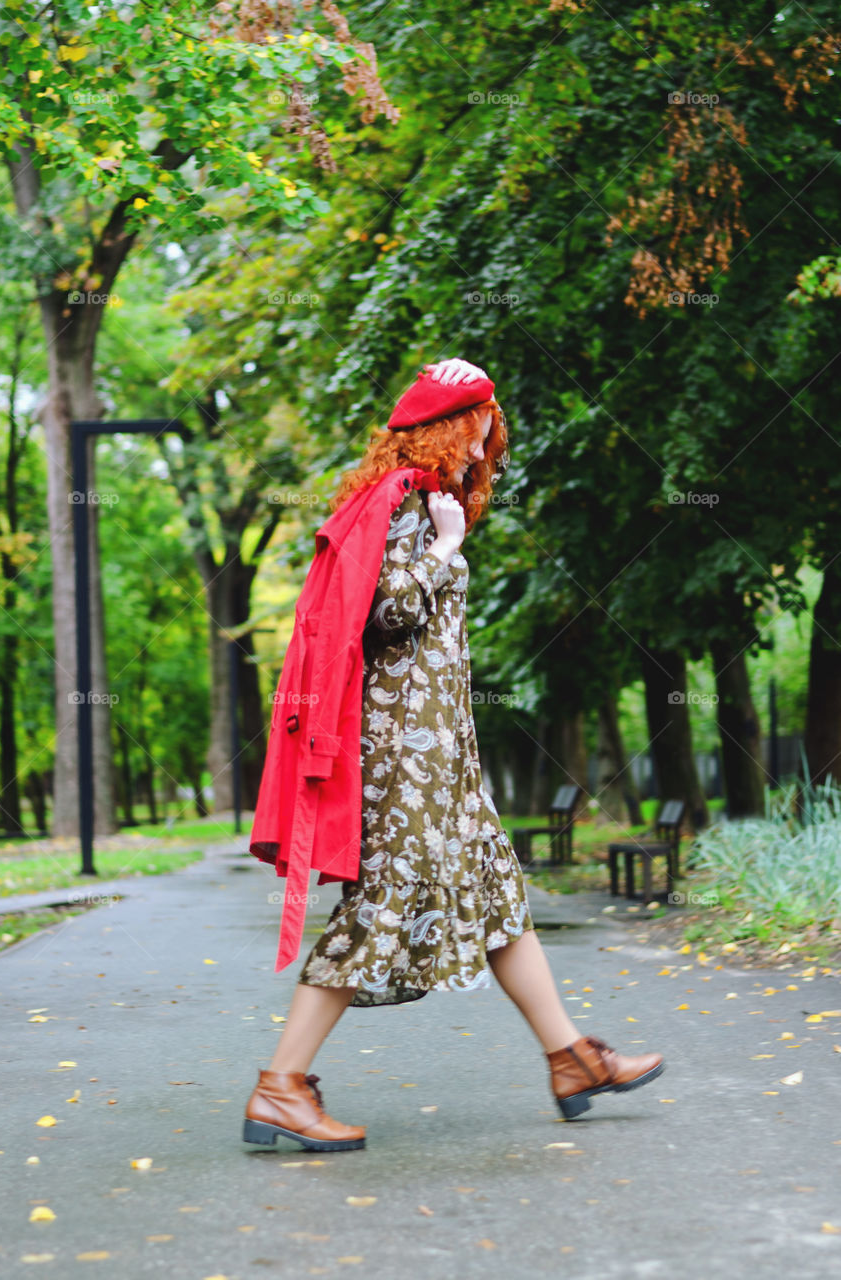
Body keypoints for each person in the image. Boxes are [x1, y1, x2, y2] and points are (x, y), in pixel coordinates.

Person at [243, 358, 664, 1153]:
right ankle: (280, 1089)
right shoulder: (407, 504)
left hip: (440, 759)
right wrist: (444, 545)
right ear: (449, 427)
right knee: (376, 911)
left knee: (500, 899)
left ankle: (570, 1058)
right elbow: (388, 612)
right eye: (479, 430)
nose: (486, 448)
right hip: (401, 757)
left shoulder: (418, 500)